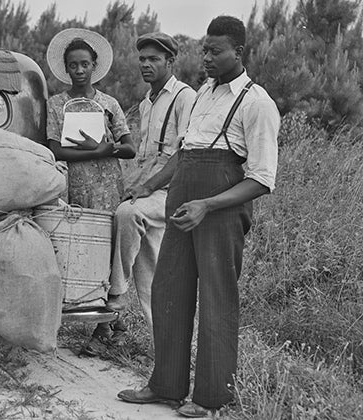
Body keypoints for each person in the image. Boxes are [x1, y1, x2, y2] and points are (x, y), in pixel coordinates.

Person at [118, 16, 280, 417]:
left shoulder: (257, 103)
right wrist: (150, 185)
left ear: (238, 52)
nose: (205, 57)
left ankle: (211, 398)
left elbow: (261, 179)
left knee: (216, 298)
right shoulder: (204, 93)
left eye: (215, 51)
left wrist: (208, 204)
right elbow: (185, 153)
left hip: (220, 211)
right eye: (203, 49)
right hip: (182, 203)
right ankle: (166, 386)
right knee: (167, 291)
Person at [44, 28, 136, 354]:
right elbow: (55, 149)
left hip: (108, 184)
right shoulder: (56, 104)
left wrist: (107, 148)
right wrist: (96, 151)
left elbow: (129, 148)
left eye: (85, 64)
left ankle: (107, 323)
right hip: (74, 184)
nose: (79, 70)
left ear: (94, 65)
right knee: (76, 246)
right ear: (65, 69)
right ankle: (81, 308)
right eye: (73, 65)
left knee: (108, 247)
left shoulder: (108, 104)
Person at [111, 32, 196, 334]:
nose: (146, 64)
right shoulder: (148, 101)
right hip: (148, 189)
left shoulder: (185, 97)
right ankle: (164, 352)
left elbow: (184, 154)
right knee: (151, 275)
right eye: (142, 59)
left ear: (170, 62)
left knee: (127, 215)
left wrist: (147, 188)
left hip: (171, 191)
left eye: (154, 59)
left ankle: (116, 296)